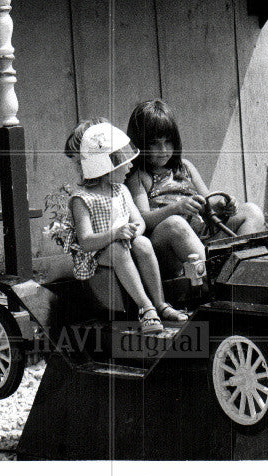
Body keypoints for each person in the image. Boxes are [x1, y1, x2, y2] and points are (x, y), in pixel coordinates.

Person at [62, 118, 188, 332]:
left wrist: (134, 232)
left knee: (143, 244)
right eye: (124, 162)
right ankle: (146, 308)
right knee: (116, 249)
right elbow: (86, 241)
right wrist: (116, 233)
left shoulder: (121, 191)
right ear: (106, 165)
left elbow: (138, 221)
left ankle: (161, 303)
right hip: (96, 254)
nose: (130, 165)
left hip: (123, 243)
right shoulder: (81, 199)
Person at [126, 99, 265, 276]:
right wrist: (176, 208)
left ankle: (244, 271)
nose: (163, 149)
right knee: (175, 224)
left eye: (168, 141)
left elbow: (208, 201)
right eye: (154, 143)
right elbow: (142, 220)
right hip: (168, 249)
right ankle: (220, 278)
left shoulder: (185, 167)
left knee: (251, 211)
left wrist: (222, 205)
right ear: (140, 144)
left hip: (200, 238)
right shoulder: (139, 177)